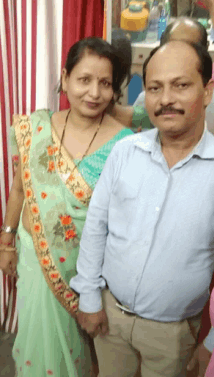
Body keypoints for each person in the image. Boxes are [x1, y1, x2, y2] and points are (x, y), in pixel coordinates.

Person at [70, 40, 214, 377]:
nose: (166, 99)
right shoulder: (125, 151)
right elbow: (97, 226)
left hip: (174, 333)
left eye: (180, 85)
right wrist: (90, 299)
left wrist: (212, 341)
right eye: (155, 88)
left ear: (207, 91)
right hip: (110, 319)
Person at [0, 37, 133, 377]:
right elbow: (19, 188)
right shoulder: (36, 128)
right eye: (84, 79)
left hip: (83, 269)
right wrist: (6, 241)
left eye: (105, 83)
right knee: (36, 341)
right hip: (34, 256)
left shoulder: (124, 143)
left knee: (78, 350)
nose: (94, 92)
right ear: (66, 77)